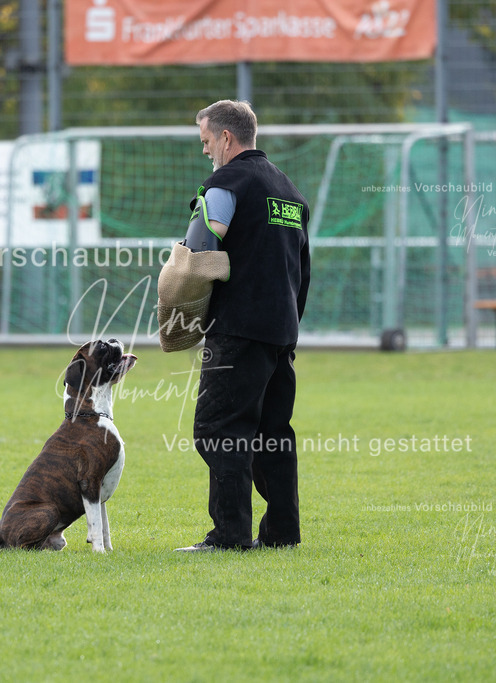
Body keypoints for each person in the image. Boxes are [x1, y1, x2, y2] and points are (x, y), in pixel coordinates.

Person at [175, 100, 310, 552]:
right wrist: (288, 325)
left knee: (218, 430)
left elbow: (199, 250)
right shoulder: (289, 192)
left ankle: (229, 536)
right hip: (281, 331)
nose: (206, 151)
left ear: (226, 138)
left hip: (237, 329)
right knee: (273, 435)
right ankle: (282, 533)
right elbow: (303, 269)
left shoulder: (225, 183)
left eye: (206, 141)